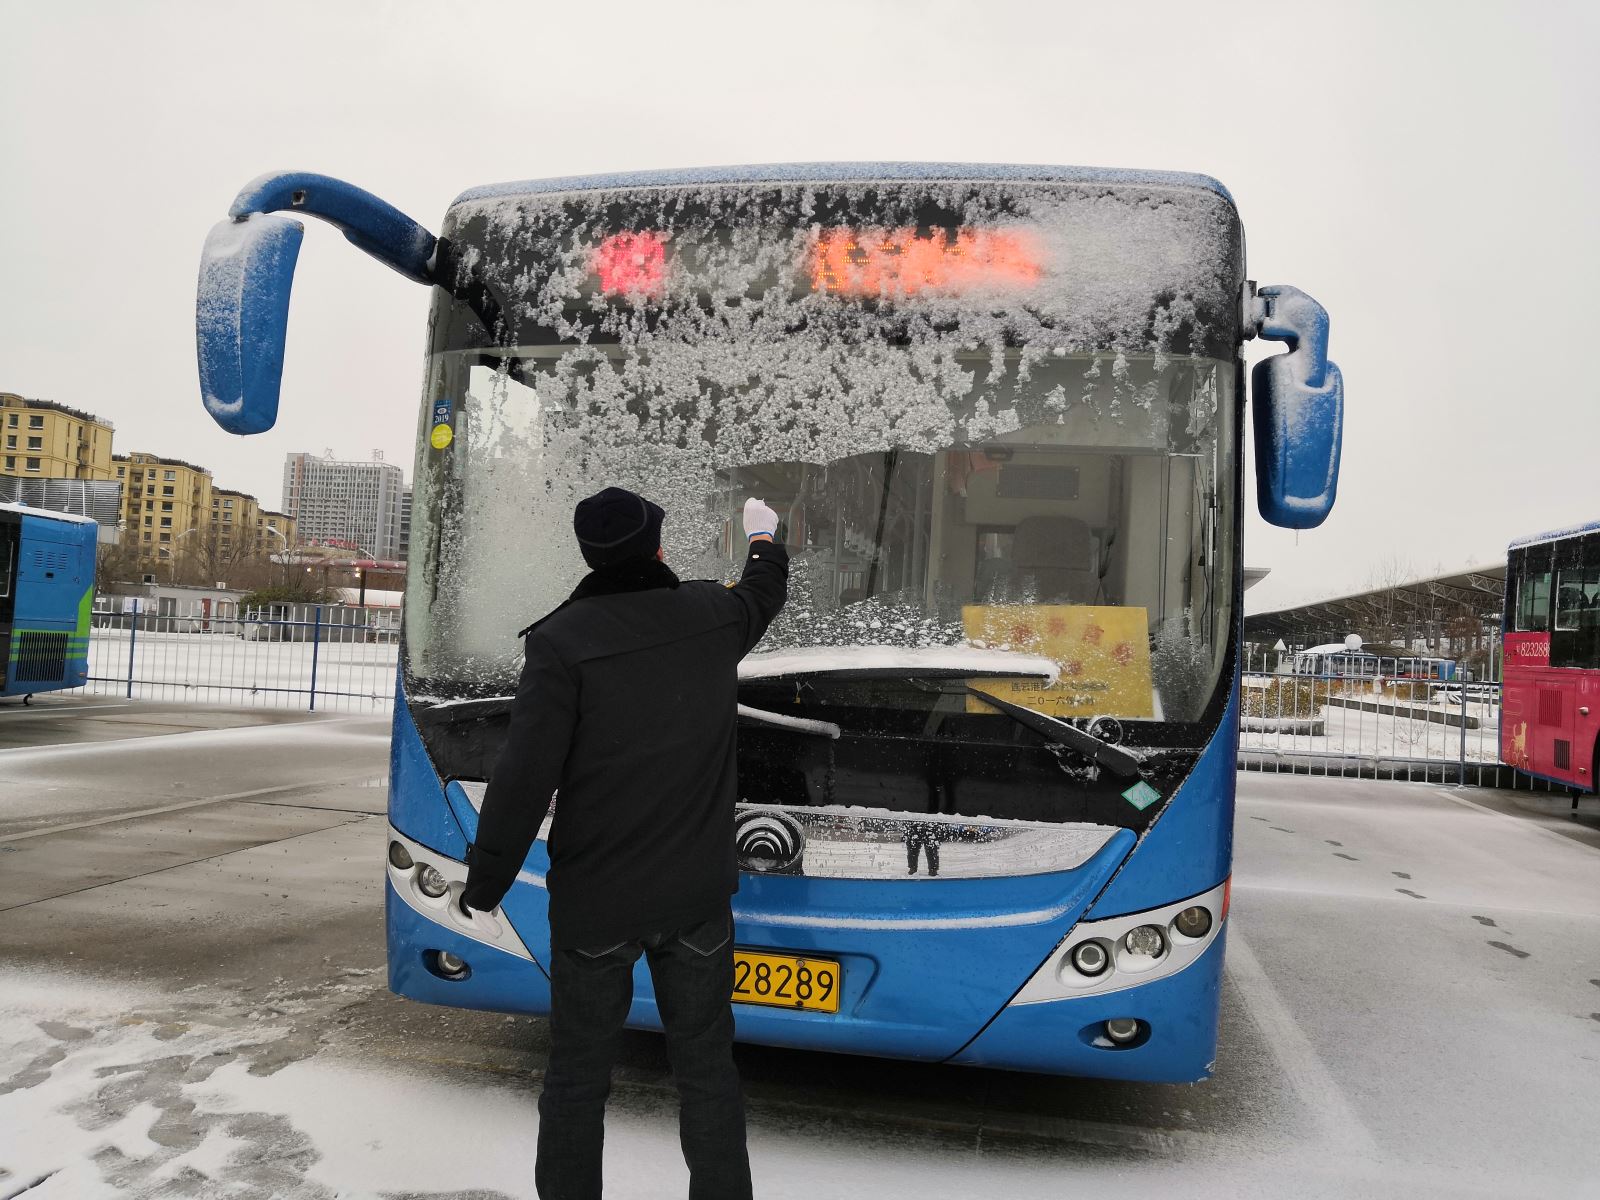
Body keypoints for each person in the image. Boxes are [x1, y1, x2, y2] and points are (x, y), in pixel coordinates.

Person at [458, 487, 788, 1200]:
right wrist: (763, 538)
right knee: (707, 1072)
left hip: (597, 906)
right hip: (696, 899)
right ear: (658, 548)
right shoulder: (711, 615)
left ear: (591, 557)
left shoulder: (560, 642)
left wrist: (486, 881)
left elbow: (524, 779)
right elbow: (765, 591)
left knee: (577, 1081)